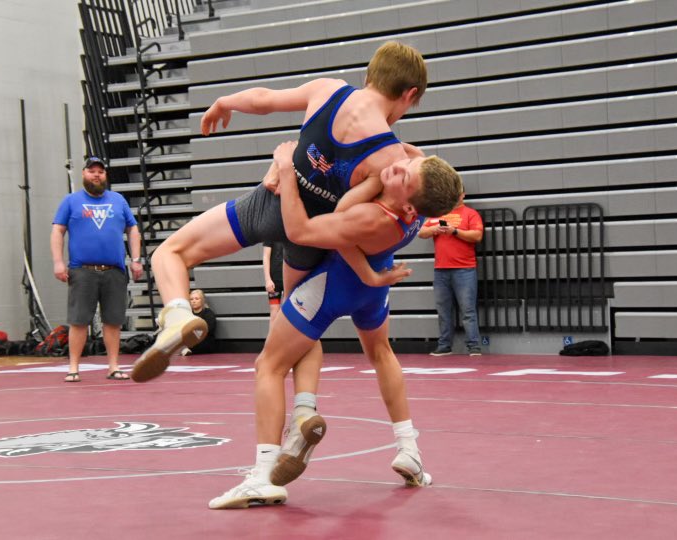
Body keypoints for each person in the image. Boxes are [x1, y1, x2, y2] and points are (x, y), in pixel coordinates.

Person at [131, 41, 431, 383]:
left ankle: (179, 315)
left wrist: (225, 101)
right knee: (298, 323)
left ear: (369, 75)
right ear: (409, 94)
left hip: (268, 205)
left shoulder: (328, 90)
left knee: (171, 252)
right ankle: (305, 407)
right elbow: (371, 221)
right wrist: (367, 273)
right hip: (311, 234)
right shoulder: (391, 158)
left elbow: (264, 100)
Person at [208, 141, 461, 509]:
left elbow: (306, 228)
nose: (396, 166)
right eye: (404, 165)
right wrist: (395, 155)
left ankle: (263, 476)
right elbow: (406, 150)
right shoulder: (419, 203)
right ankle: (409, 448)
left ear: (408, 204)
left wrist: (284, 166)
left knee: (270, 364)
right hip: (375, 285)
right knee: (381, 352)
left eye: (402, 174)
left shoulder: (369, 215)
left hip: (337, 286)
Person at [50, 157, 144, 382]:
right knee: (79, 320)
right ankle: (73, 367)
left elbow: (133, 229)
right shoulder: (71, 201)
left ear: (105, 176)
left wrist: (136, 259)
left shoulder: (118, 200)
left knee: (113, 320)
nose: (96, 175)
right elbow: (57, 231)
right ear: (83, 174)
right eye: (92, 171)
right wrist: (58, 262)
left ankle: (113, 366)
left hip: (114, 270)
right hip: (82, 270)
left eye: (100, 172)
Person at [418, 188, 483, 356]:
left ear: (463, 195)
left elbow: (477, 236)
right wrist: (435, 230)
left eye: (458, 192)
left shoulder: (470, 214)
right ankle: (445, 345)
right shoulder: (437, 214)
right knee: (443, 310)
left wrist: (454, 231)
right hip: (441, 270)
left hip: (465, 269)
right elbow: (421, 232)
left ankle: (474, 346)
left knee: (468, 310)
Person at [182, 289, 217, 354]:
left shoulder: (209, 314)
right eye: (191, 299)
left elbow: (208, 330)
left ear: (202, 301)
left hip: (205, 345)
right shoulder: (188, 314)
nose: (194, 301)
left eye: (196, 299)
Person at [262, 241, 284, 330]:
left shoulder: (292, 231)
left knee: (291, 312)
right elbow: (266, 256)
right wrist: (268, 280)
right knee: (274, 310)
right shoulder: (270, 232)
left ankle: (291, 342)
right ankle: (274, 342)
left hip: (291, 279)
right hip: (275, 281)